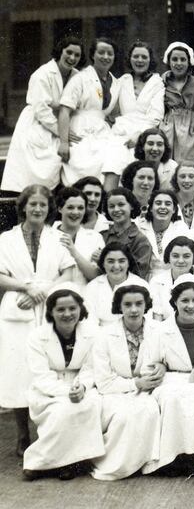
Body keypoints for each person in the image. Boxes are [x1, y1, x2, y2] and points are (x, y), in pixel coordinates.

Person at [0, 186, 76, 457]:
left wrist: (42, 291)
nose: (38, 209)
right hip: (17, 308)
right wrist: (25, 288)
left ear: (49, 208)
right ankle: (23, 434)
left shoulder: (58, 237)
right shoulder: (6, 239)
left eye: (43, 204)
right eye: (33, 204)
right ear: (23, 207)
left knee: (48, 367)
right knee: (18, 371)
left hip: (49, 306)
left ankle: (48, 433)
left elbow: (68, 273)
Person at [138, 274, 194, 476]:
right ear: (174, 302)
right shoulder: (160, 330)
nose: (190, 306)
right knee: (172, 398)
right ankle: (172, 457)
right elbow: (149, 368)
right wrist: (166, 371)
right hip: (170, 383)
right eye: (184, 300)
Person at [22, 284, 103, 481]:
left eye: (72, 308)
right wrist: (67, 391)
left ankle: (64, 463)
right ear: (51, 311)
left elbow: (91, 368)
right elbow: (41, 375)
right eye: (60, 309)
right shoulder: (37, 336)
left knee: (87, 405)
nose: (67, 314)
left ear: (81, 309)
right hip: (48, 388)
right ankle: (45, 463)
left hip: (83, 385)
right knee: (62, 410)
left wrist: (82, 387)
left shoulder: (94, 333)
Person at [91, 282, 161, 480]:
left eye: (139, 304)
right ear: (118, 307)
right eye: (127, 304)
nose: (134, 309)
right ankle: (116, 464)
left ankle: (145, 463)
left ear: (146, 305)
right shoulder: (104, 335)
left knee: (150, 411)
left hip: (147, 391)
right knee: (124, 416)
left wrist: (162, 367)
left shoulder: (158, 330)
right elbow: (104, 382)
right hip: (114, 392)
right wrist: (135, 384)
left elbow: (166, 359)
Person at [3, 36, 83, 192]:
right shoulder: (42, 74)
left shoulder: (77, 75)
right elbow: (41, 109)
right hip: (39, 123)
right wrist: (62, 132)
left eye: (77, 55)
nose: (72, 58)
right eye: (69, 52)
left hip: (63, 122)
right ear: (60, 52)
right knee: (41, 166)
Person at [102, 41, 165, 189]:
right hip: (121, 130)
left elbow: (156, 115)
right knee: (112, 159)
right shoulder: (122, 80)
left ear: (150, 60)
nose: (139, 60)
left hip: (145, 131)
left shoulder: (157, 82)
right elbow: (110, 107)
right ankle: (108, 198)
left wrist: (140, 136)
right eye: (136, 56)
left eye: (144, 57)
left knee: (135, 162)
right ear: (130, 59)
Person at [58, 37, 120, 186]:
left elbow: (114, 113)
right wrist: (64, 142)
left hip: (102, 132)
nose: (106, 57)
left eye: (110, 53)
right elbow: (64, 110)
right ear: (93, 55)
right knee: (81, 167)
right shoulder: (80, 78)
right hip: (79, 130)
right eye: (101, 52)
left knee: (110, 162)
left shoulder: (116, 83)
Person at [84, 242, 149, 327]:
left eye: (121, 261)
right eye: (110, 261)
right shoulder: (92, 287)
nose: (116, 266)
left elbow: (147, 321)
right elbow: (88, 323)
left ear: (128, 263)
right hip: (100, 333)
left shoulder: (141, 285)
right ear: (103, 263)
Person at [161, 41, 194, 164]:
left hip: (191, 130)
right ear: (169, 62)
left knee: (188, 166)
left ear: (189, 62)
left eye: (183, 59)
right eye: (174, 59)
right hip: (168, 128)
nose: (178, 63)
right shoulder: (162, 82)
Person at [53, 186, 104, 287]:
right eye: (70, 207)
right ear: (60, 208)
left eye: (80, 208)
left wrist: (73, 252)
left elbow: (96, 276)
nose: (76, 212)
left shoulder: (95, 237)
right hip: (53, 292)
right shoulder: (47, 235)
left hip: (85, 292)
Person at [101, 188, 154, 280]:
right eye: (111, 206)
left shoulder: (140, 240)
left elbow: (139, 275)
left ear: (131, 206)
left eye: (121, 205)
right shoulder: (102, 236)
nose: (116, 209)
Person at [136, 188, 190, 277]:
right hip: (143, 278)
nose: (163, 207)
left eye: (168, 204)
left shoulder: (181, 229)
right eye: (158, 203)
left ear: (174, 209)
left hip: (172, 278)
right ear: (151, 208)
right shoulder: (139, 227)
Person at [149, 236, 194, 321]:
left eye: (186, 256)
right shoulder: (157, 282)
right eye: (175, 256)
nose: (180, 261)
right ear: (169, 257)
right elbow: (157, 318)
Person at [171, 162, 194, 229]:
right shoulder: (168, 202)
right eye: (182, 176)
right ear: (176, 179)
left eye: (191, 176)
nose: (186, 180)